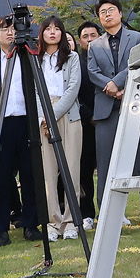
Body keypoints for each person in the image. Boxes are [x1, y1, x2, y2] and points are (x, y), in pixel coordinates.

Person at [86, 0, 140, 230]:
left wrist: (118, 83)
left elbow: (139, 64)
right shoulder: (95, 45)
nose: (107, 14)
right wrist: (110, 86)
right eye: (102, 12)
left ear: (120, 14)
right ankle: (107, 215)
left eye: (111, 10)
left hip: (134, 103)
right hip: (106, 109)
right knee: (105, 164)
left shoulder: (137, 38)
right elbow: (92, 72)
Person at [0, 16, 44, 244]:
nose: (10, 33)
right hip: (1, 125)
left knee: (30, 175)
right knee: (1, 178)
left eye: (13, 29)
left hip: (26, 122)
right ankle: (1, 230)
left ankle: (30, 225)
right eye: (5, 29)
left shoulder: (28, 57)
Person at [36, 17, 85, 239]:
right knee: (48, 172)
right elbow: (34, 90)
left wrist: (52, 115)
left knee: (72, 169)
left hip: (68, 113)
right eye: (48, 29)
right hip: (43, 115)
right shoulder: (36, 59)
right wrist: (43, 118)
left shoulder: (72, 57)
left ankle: (71, 222)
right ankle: (53, 223)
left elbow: (73, 88)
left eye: (57, 29)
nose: (53, 32)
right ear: (42, 33)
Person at [74, 21, 103, 230]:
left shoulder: (107, 58)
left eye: (93, 35)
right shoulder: (76, 62)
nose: (90, 39)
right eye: (85, 36)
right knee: (84, 170)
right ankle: (87, 213)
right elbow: (73, 93)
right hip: (85, 123)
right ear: (80, 41)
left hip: (107, 119)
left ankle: (110, 211)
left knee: (108, 168)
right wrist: (89, 116)